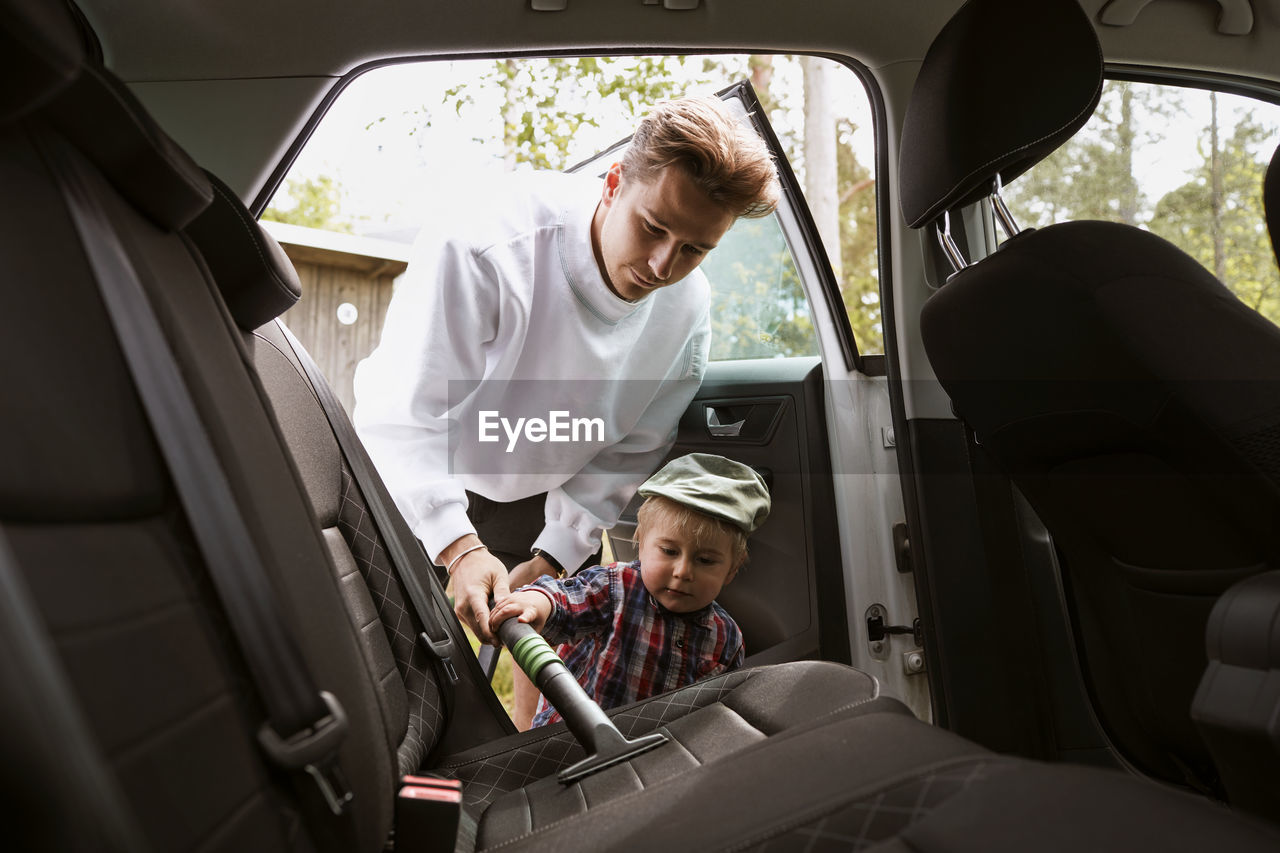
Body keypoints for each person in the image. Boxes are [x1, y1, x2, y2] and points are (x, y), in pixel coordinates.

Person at [353, 96, 779, 729]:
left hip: (538, 483)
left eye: (694, 249)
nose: (664, 266)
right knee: (404, 677)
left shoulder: (687, 307)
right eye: (653, 228)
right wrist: (458, 544)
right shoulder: (486, 245)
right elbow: (406, 416)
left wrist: (554, 554)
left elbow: (632, 445)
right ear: (611, 186)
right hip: (414, 473)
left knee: (534, 647)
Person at [488, 453, 770, 727]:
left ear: (732, 570)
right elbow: (564, 598)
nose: (683, 571)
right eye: (669, 551)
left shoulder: (726, 636)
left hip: (658, 756)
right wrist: (536, 602)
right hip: (571, 741)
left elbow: (717, 713)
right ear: (641, 543)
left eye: (705, 560)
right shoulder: (615, 588)